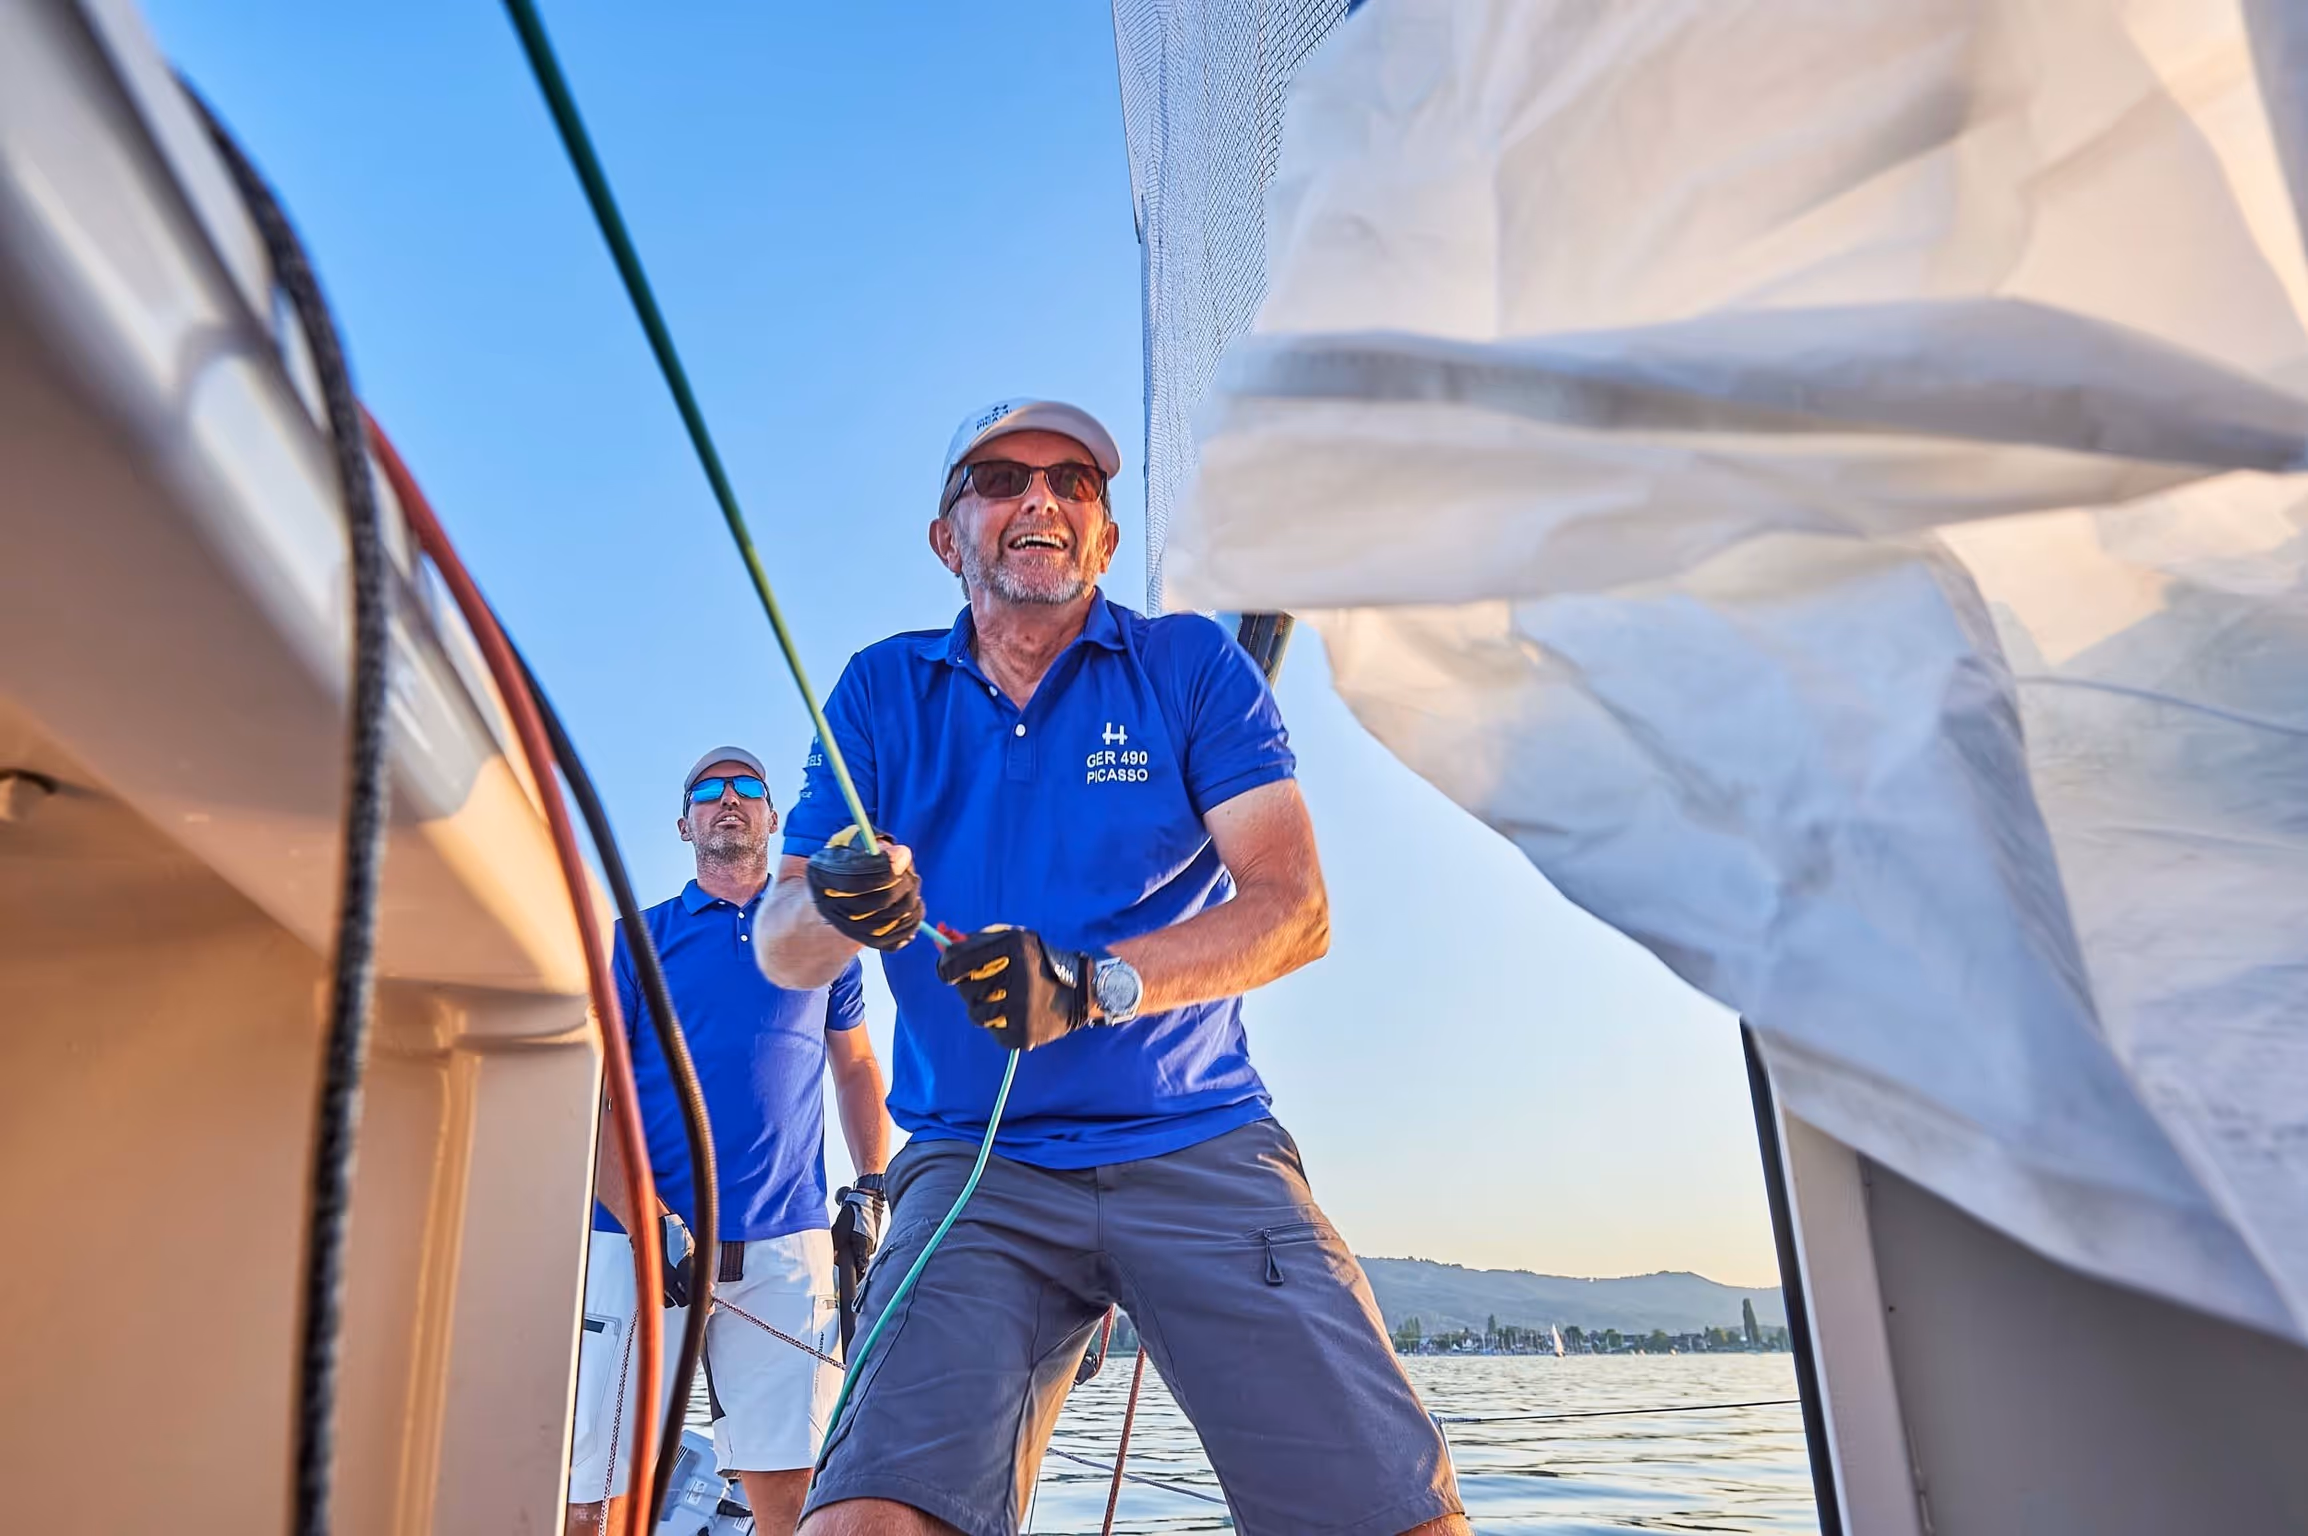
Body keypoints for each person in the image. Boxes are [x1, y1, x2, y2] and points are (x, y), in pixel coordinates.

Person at [757, 399, 1469, 1536]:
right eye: (998, 477)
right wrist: (836, 902)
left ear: (1104, 537)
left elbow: (1293, 910)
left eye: (1074, 482)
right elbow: (782, 943)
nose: (1039, 496)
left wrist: (1093, 984)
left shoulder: (1186, 666)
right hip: (970, 1166)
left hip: (1196, 1138)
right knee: (859, 1527)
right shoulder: (880, 692)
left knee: (1400, 1523)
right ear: (949, 538)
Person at [568, 748, 892, 1536]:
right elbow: (597, 1102)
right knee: (595, 1503)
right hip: (645, 1251)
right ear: (684, 824)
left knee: (795, 1501)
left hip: (785, 1248)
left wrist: (874, 1184)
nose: (728, 800)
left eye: (747, 786)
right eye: (708, 791)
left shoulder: (822, 940)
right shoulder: (634, 943)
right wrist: (648, 1222)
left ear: (772, 818)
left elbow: (855, 1069)